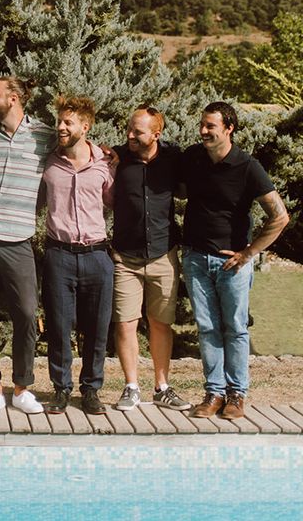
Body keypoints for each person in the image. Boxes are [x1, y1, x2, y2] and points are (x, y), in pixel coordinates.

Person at [181, 102, 288, 420]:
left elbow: (280, 216)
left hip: (233, 265)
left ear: (229, 128)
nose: (203, 131)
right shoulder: (193, 158)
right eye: (202, 124)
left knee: (236, 329)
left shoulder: (247, 166)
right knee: (207, 328)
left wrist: (249, 253)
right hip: (196, 260)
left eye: (210, 126)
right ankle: (213, 394)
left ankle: (236, 395)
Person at [0, 77, 56, 415]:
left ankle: (21, 388)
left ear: (14, 98)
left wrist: (109, 155)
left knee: (26, 314)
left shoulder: (44, 136)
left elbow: (75, 150)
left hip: (18, 239)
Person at [111, 107, 191, 412]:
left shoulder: (173, 160)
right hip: (124, 258)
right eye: (129, 129)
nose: (130, 135)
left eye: (138, 132)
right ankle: (131, 386)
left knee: (160, 324)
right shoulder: (117, 158)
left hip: (162, 255)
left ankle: (162, 387)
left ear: (156, 135)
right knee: (125, 324)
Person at [41, 95, 114, 415]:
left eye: (68, 122)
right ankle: (61, 389)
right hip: (59, 254)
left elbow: (116, 203)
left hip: (98, 256)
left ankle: (91, 389)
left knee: (97, 328)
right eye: (59, 121)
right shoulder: (48, 162)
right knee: (58, 327)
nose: (61, 127)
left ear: (85, 127)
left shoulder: (105, 164)